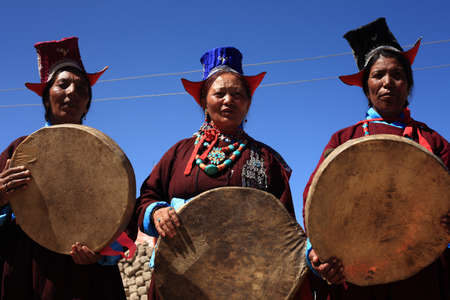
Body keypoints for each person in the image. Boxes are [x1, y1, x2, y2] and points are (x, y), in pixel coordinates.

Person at [135, 47, 311, 299]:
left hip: (246, 281)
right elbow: (145, 199)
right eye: (220, 93)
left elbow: (285, 229)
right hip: (181, 275)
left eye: (237, 94)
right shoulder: (178, 153)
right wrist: (157, 212)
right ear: (204, 100)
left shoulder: (267, 160)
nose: (229, 100)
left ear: (248, 103)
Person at [303, 18, 449, 300]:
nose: (387, 83)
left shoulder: (434, 142)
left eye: (397, 75)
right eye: (378, 75)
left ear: (408, 84)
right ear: (366, 86)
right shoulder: (344, 140)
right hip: (356, 278)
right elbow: (316, 200)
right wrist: (315, 253)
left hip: (422, 279)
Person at [0, 37, 135, 300]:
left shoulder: (105, 155)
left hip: (87, 277)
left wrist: (102, 251)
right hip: (27, 269)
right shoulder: (18, 150)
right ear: (46, 97)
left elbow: (125, 211)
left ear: (87, 103)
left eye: (82, 88)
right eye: (63, 85)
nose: (72, 92)